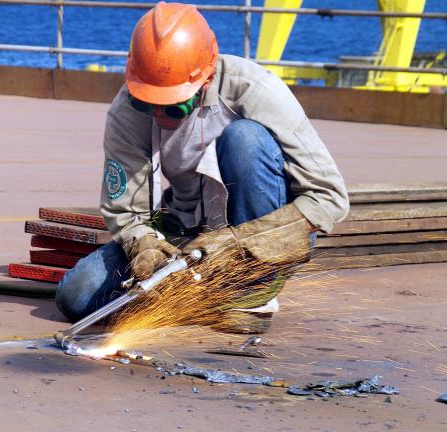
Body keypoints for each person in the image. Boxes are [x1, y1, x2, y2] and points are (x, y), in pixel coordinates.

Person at [55, 1, 348, 333]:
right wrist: (145, 245)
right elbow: (126, 212)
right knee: (76, 296)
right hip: (186, 227)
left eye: (174, 107)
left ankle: (252, 294)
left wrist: (239, 242)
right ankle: (204, 293)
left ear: (206, 79)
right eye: (147, 102)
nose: (158, 114)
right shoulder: (128, 110)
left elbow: (329, 199)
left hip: (263, 235)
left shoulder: (255, 90)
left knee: (246, 139)